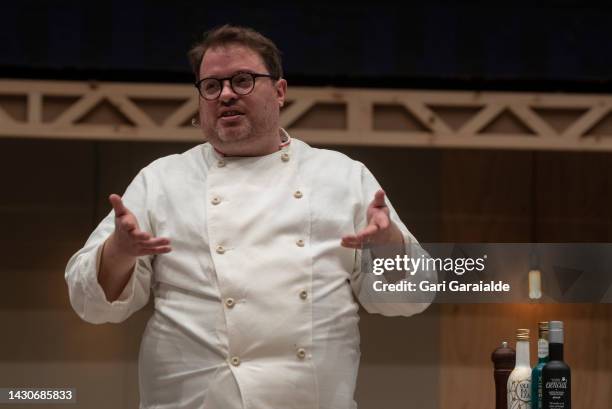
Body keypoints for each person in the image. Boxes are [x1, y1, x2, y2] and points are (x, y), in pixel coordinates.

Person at [65, 24, 435, 409]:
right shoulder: (161, 180)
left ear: (279, 92)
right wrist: (120, 251)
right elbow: (89, 303)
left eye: (242, 81)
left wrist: (388, 242)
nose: (225, 94)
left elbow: (414, 297)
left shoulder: (341, 176)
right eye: (211, 86)